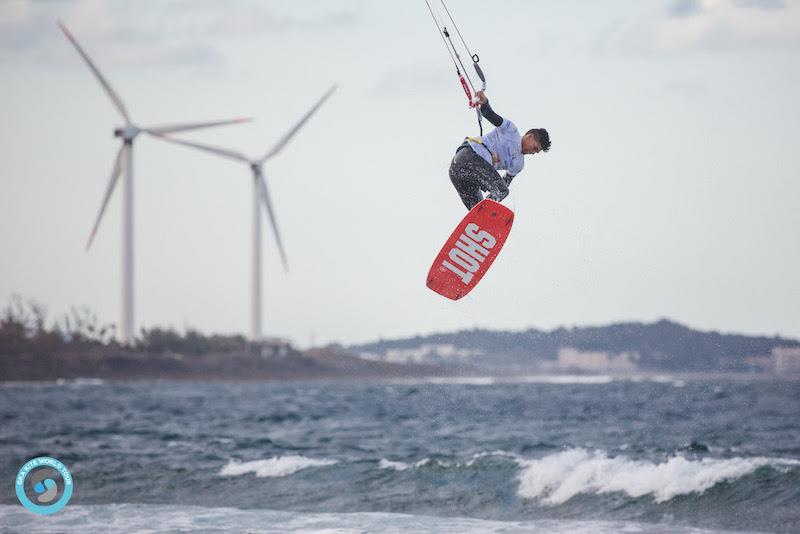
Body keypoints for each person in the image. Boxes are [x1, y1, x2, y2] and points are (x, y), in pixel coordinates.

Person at [449, 91, 550, 210]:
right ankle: (485, 213)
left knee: (478, 209)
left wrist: (489, 187)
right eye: (535, 148)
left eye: (536, 152)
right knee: (501, 191)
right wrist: (485, 102)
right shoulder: (511, 130)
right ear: (530, 136)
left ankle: (484, 220)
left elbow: (505, 182)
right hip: (467, 157)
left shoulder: (519, 164)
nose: (533, 153)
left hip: (462, 175)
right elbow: (489, 114)